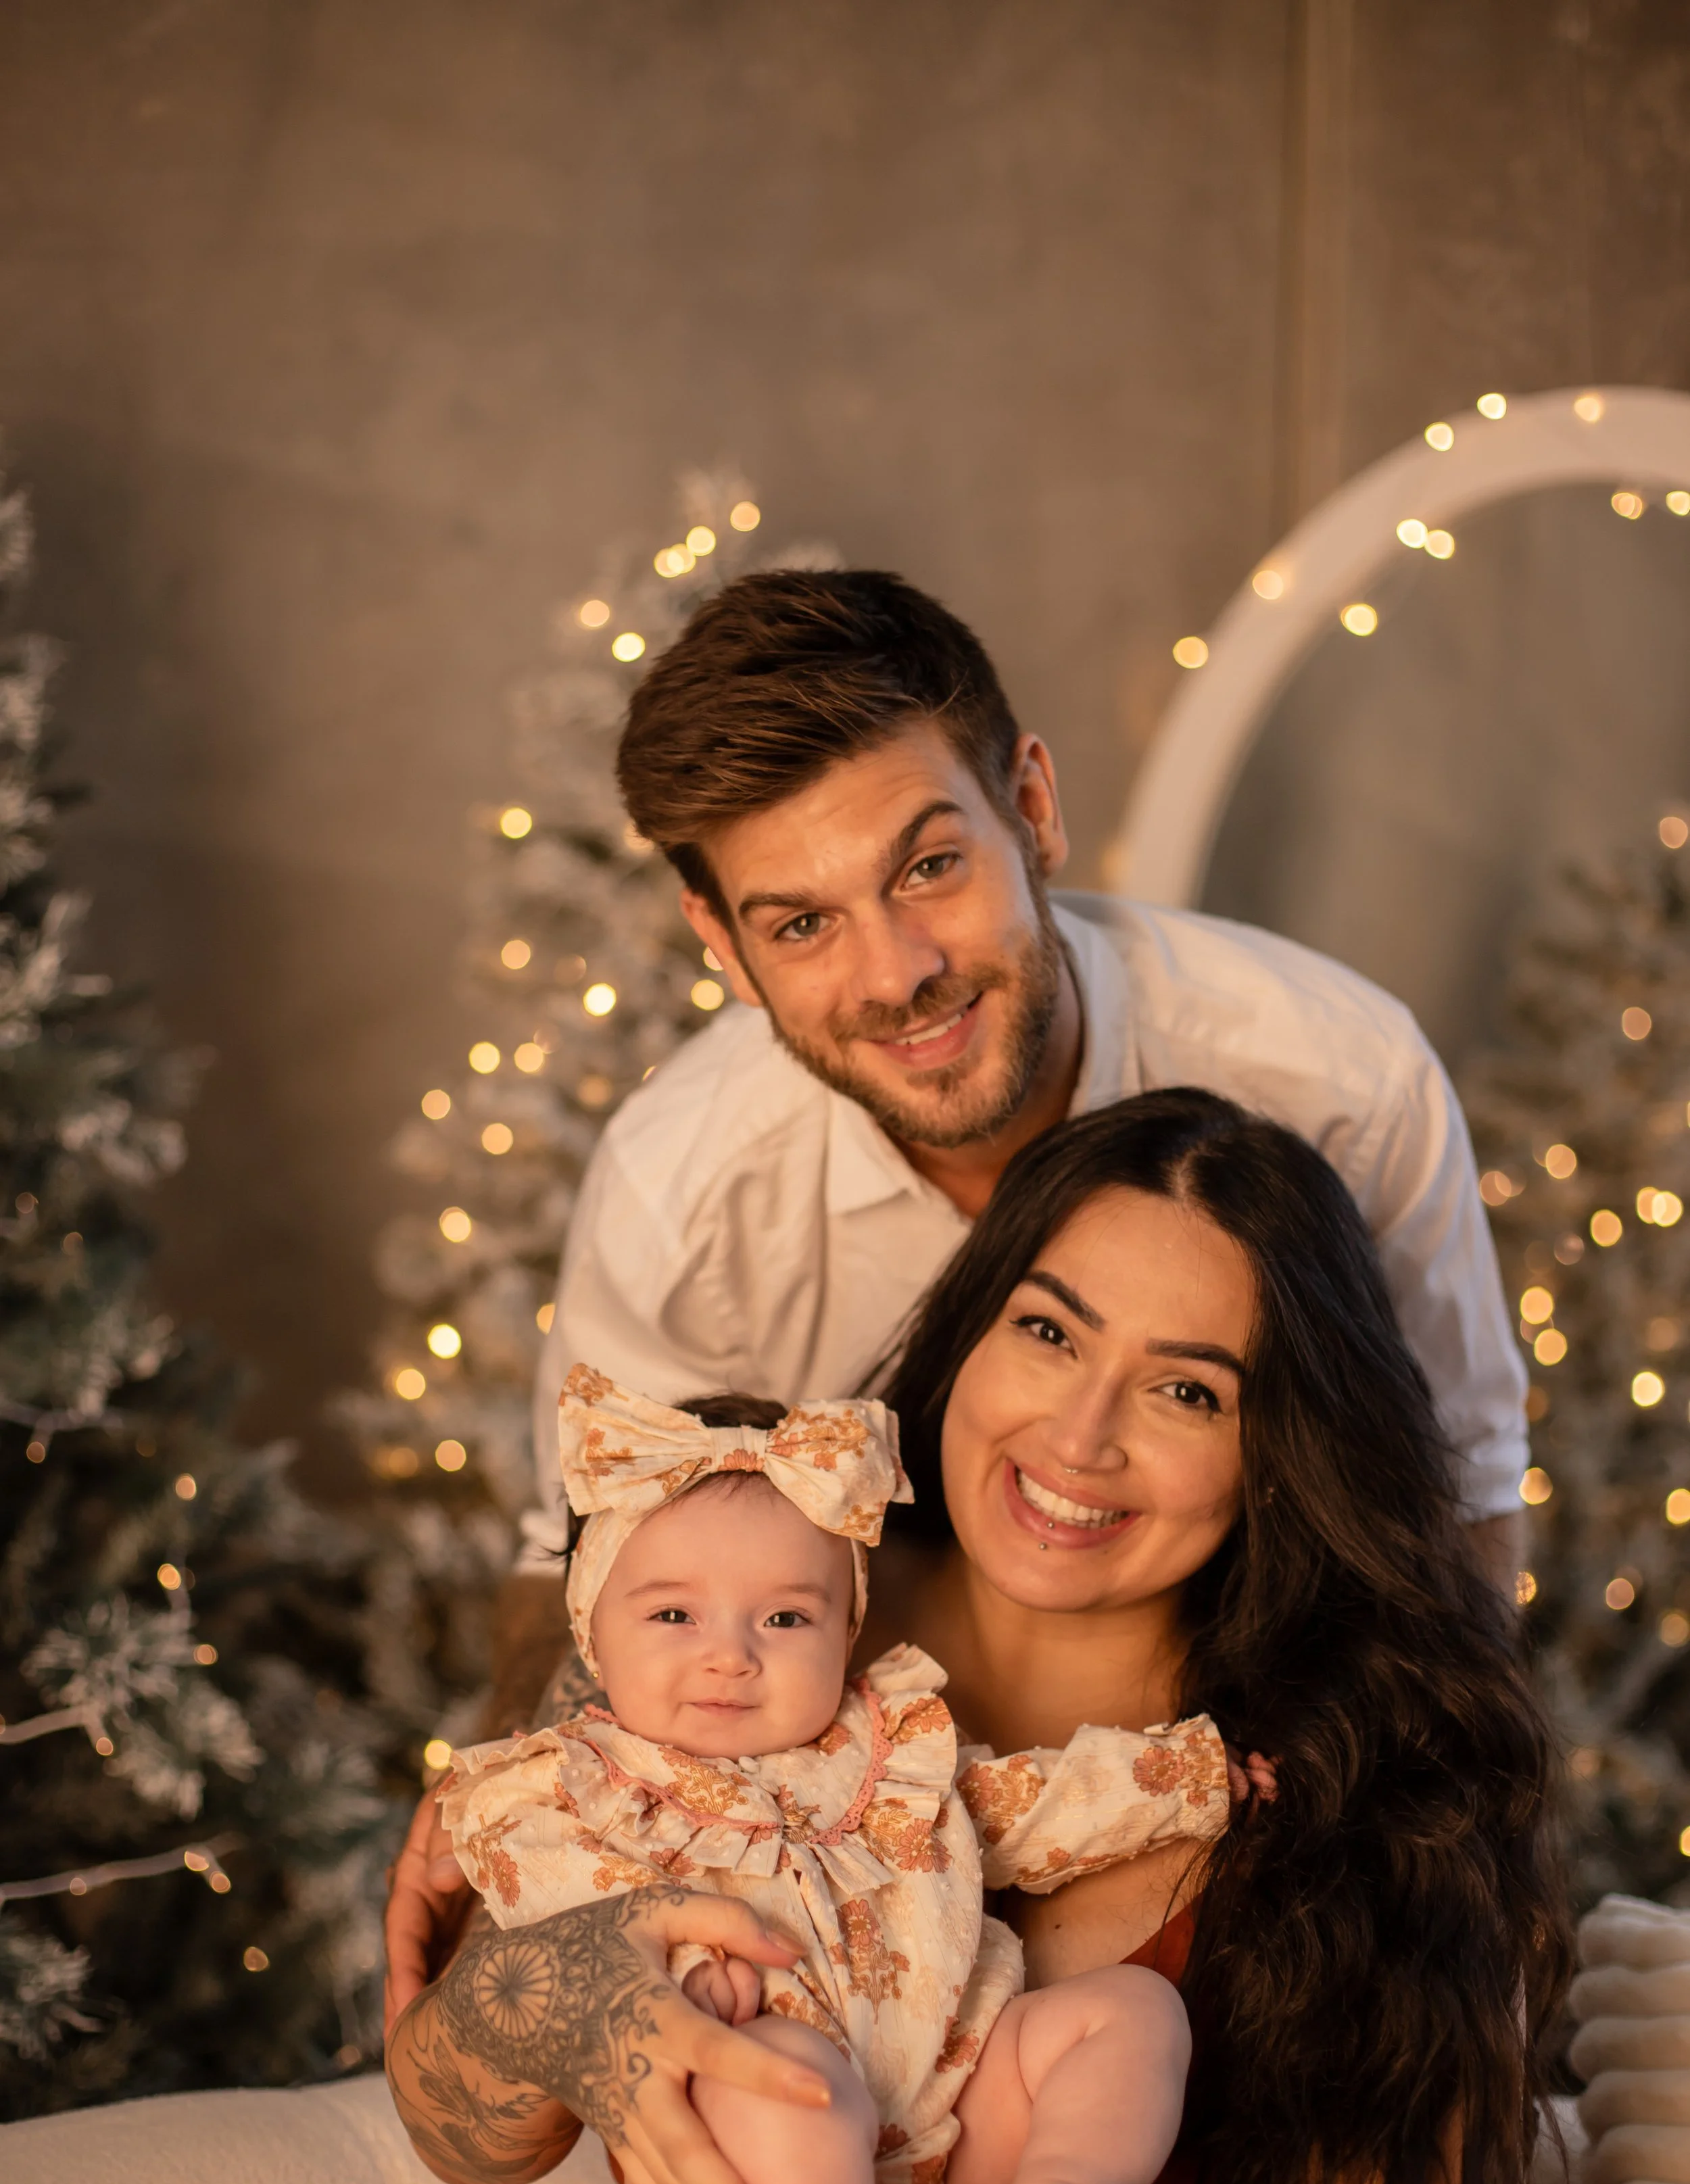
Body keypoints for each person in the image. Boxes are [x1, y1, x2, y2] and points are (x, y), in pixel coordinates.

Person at [386, 1090, 1570, 2184]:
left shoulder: (1358, 1767)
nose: (1078, 1436)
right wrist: (535, 1992)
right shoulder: (741, 1600)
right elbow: (462, 2130)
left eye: (1186, 1389)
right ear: (969, 1328)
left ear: (1279, 1454)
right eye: (1050, 1331)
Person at [385, 568, 1530, 2022]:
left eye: (928, 866)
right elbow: (595, 1564)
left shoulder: (1338, 1081)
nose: (899, 973)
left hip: (1242, 1818)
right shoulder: (683, 1194)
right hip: (838, 1866)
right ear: (716, 945)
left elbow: (1457, 1505)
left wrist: (1458, 1888)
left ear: (1031, 808)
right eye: (798, 925)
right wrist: (517, 1839)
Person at [439, 1366, 1239, 2184]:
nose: (731, 1652)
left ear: (847, 1628)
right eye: (673, 1612)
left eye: (785, 1616)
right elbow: (554, 1910)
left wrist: (1195, 1776)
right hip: (775, 2126)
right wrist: (663, 1978)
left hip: (960, 2119)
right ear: (592, 1630)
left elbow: (1032, 1807)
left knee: (1130, 2011)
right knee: (789, 2083)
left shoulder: (890, 1750)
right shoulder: (568, 1789)